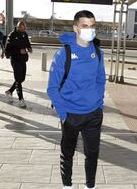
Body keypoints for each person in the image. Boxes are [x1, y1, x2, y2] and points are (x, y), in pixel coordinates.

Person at [47, 10, 106, 189]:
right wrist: (64, 115)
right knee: (68, 154)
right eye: (85, 26)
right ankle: (67, 185)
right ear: (76, 28)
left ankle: (91, 186)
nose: (90, 29)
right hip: (71, 115)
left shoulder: (97, 51)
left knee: (93, 154)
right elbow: (52, 88)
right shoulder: (63, 53)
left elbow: (100, 80)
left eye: (93, 25)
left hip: (94, 115)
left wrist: (99, 104)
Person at [4, 21, 32, 107]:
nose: (23, 29)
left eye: (24, 28)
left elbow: (27, 43)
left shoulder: (25, 34)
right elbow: (8, 50)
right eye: (21, 28)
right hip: (15, 60)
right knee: (18, 80)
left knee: (21, 78)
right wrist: (19, 51)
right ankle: (21, 99)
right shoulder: (12, 35)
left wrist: (29, 48)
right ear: (18, 27)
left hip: (23, 59)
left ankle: (9, 91)